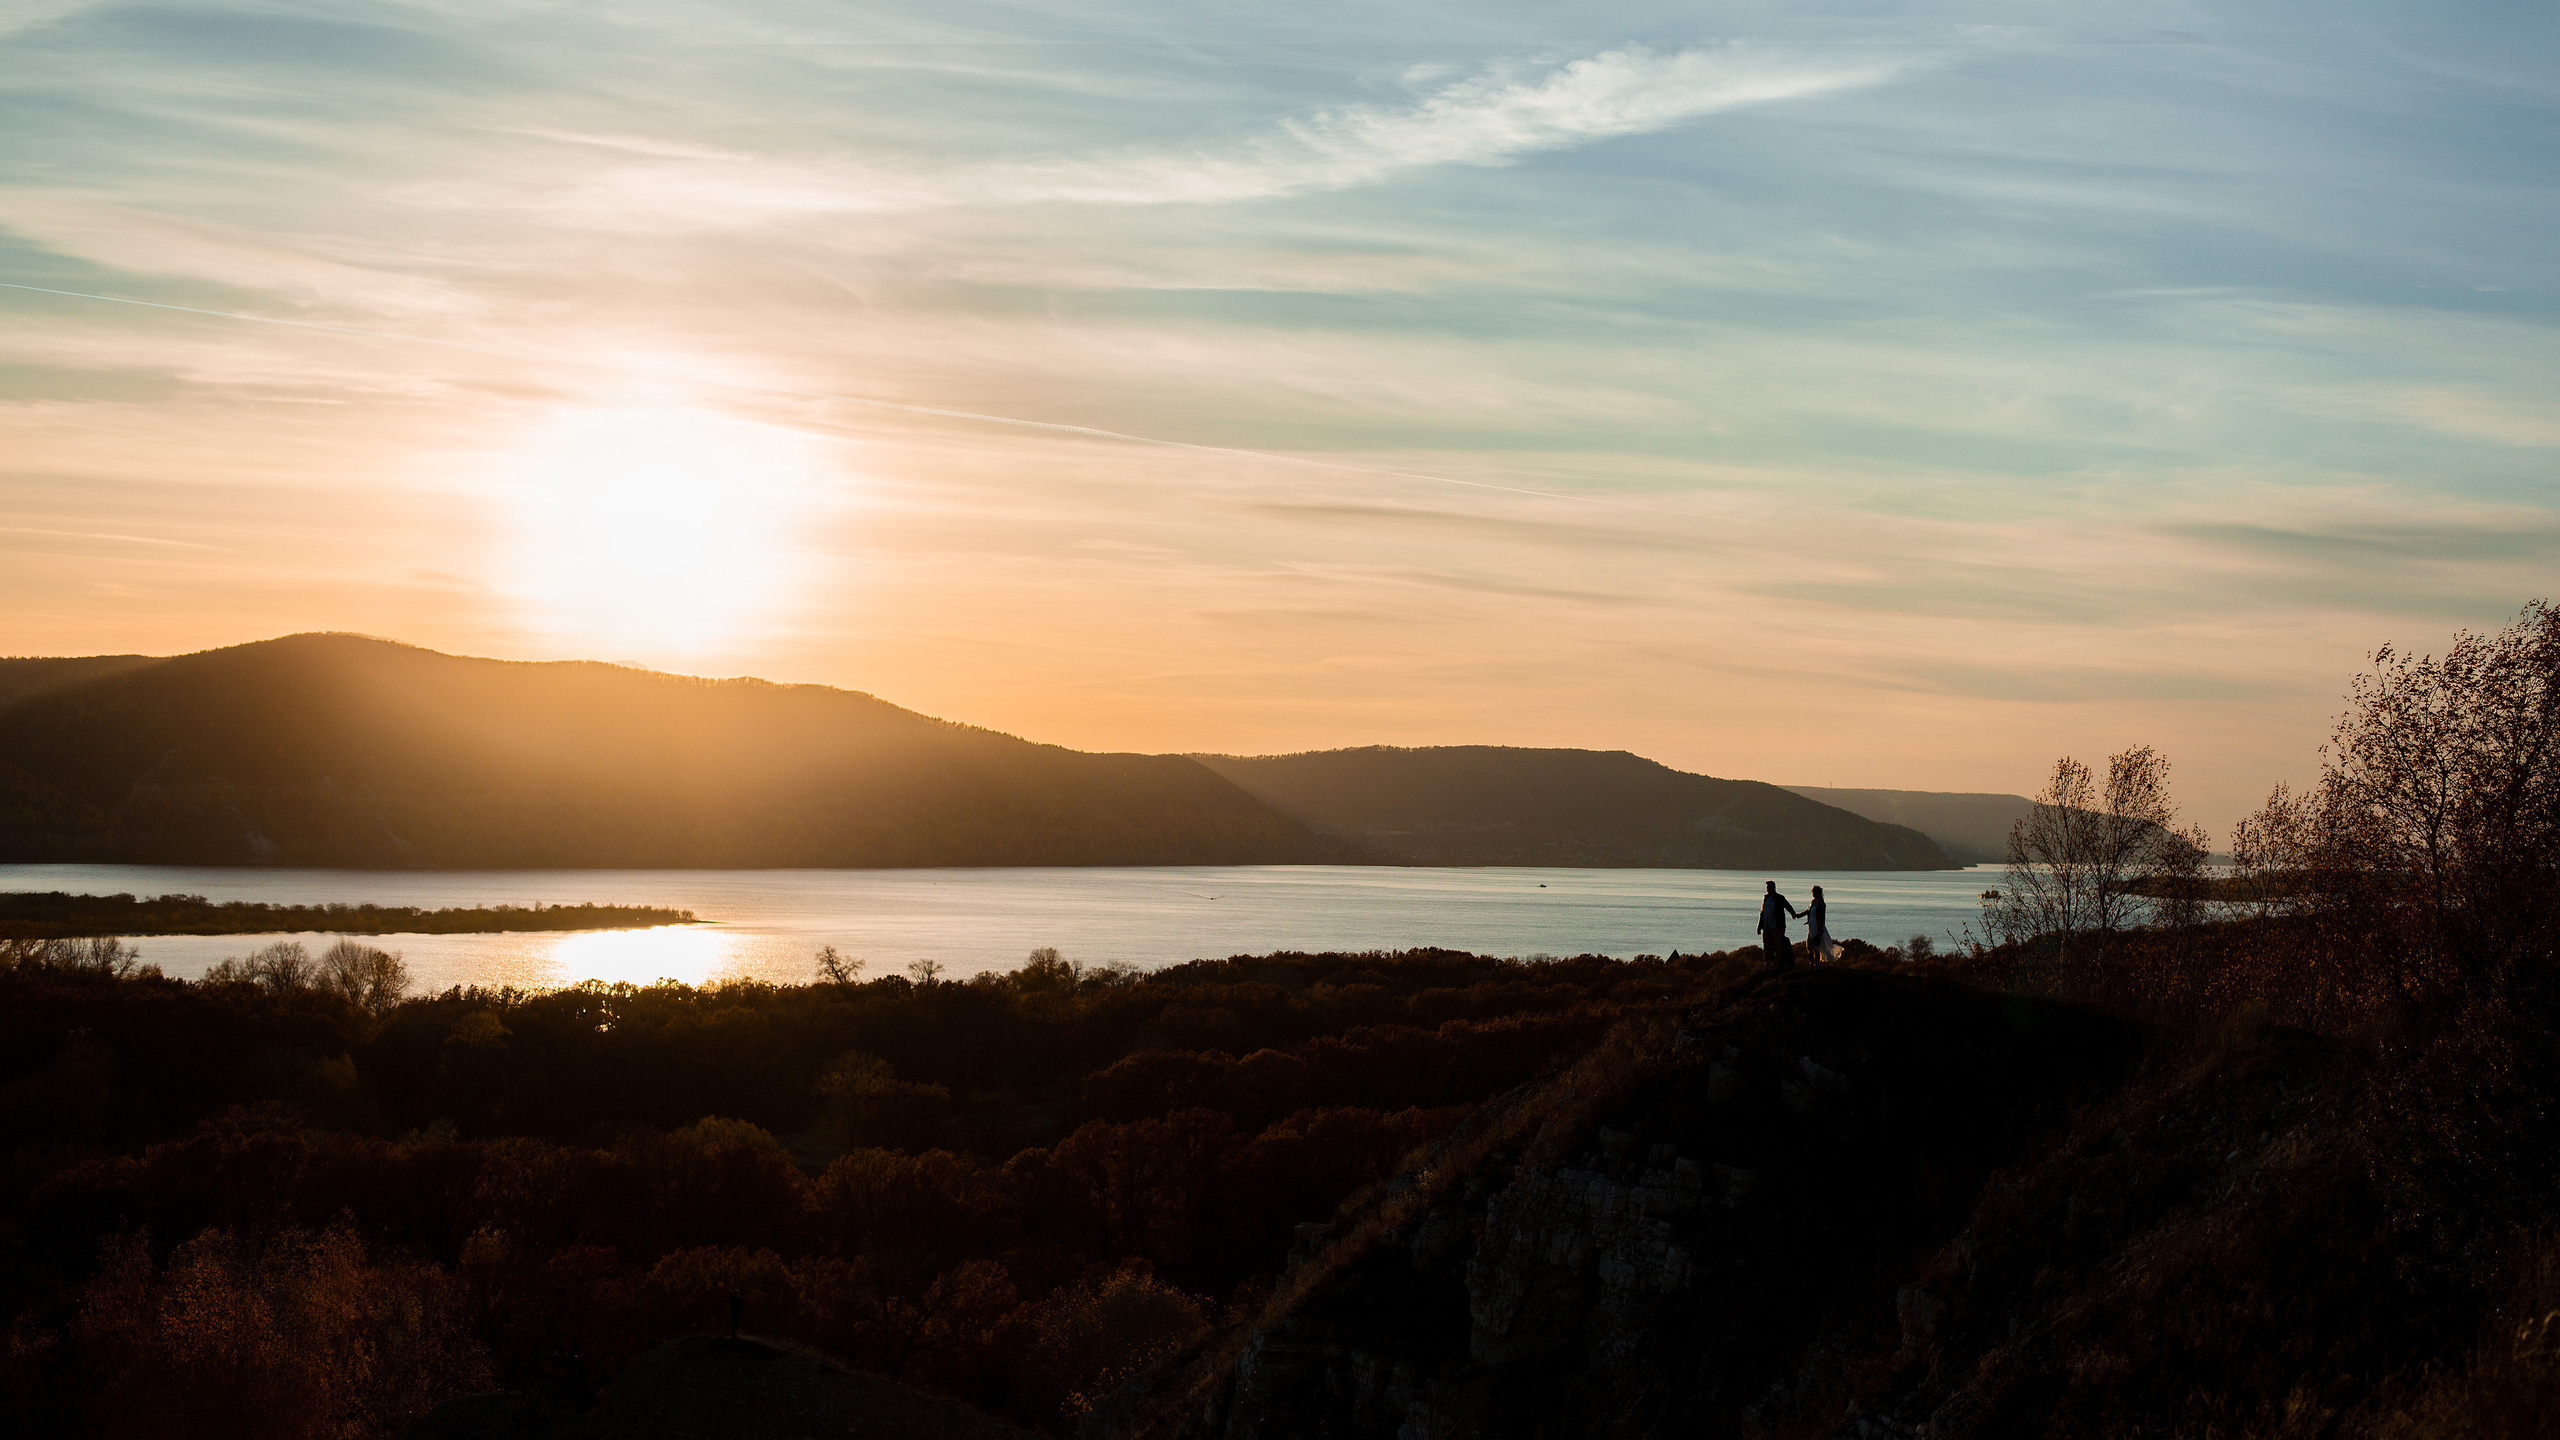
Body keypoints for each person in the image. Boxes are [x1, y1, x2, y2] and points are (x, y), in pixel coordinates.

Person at [1757, 880, 1801, 967]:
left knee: (1777, 945)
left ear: (1774, 887)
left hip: (1777, 926)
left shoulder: (1780, 898)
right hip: (1766, 926)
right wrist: (1759, 926)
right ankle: (1767, 963)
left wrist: (1793, 914)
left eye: (1769, 887)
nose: (1768, 889)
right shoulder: (1765, 898)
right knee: (1766, 945)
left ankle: (1776, 964)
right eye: (1767, 887)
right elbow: (1762, 913)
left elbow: (1787, 906)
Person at [1805, 885, 1840, 963]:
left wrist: (1819, 931)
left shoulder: (1821, 904)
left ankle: (1816, 964)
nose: (1814, 894)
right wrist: (1797, 915)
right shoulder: (1813, 902)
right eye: (1813, 892)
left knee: (1816, 947)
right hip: (1811, 927)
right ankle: (1812, 963)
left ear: (1819, 893)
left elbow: (1822, 918)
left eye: (1815, 892)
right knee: (1809, 946)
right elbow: (1807, 911)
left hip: (1817, 927)